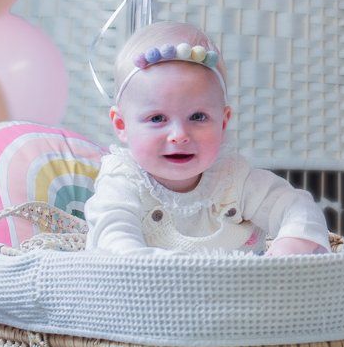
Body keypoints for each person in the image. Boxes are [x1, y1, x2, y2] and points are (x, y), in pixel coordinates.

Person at [86, 20, 329, 255]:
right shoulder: (123, 181)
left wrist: (293, 242)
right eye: (157, 118)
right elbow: (114, 242)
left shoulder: (232, 178)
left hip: (239, 294)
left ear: (223, 122)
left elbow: (293, 206)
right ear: (122, 125)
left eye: (198, 117)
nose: (179, 135)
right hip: (147, 291)